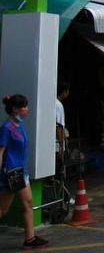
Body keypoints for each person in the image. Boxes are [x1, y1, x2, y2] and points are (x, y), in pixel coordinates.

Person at [0, 94, 49, 250]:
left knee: (28, 203)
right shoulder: (6, 128)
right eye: (24, 107)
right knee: (3, 210)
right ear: (15, 109)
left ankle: (30, 239)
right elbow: (0, 152)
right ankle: (30, 238)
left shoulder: (18, 126)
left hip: (21, 172)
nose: (27, 109)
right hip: (11, 173)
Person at [55, 83, 70, 164]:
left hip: (55, 143)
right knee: (59, 167)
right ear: (64, 92)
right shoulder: (58, 105)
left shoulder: (53, 103)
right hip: (57, 144)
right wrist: (61, 145)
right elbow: (58, 126)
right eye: (68, 92)